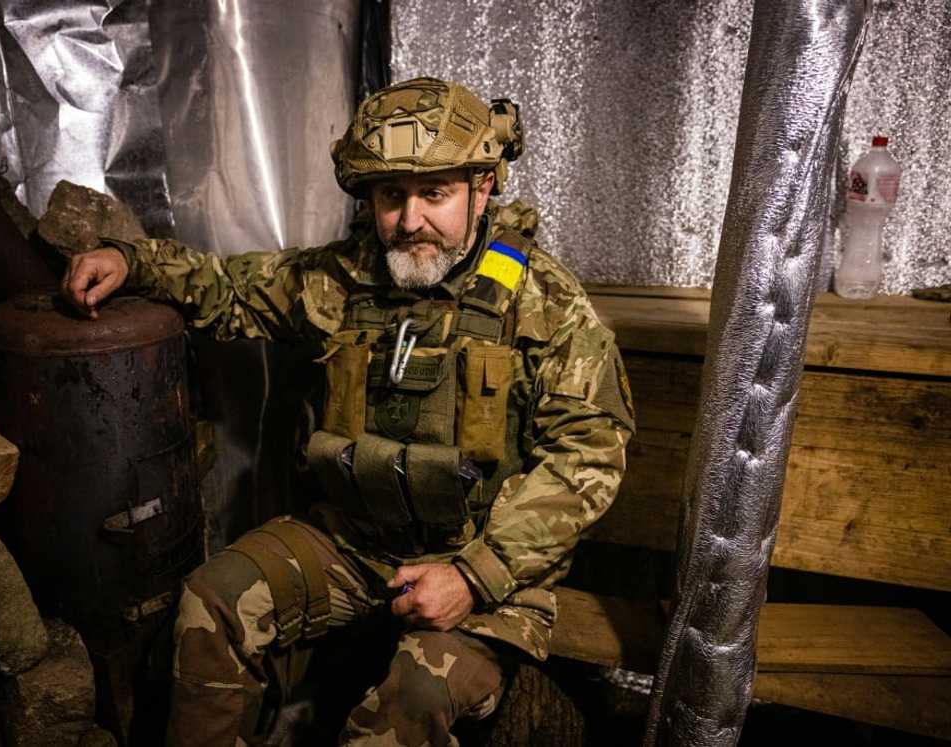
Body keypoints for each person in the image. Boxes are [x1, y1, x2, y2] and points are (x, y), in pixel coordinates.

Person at [62, 76, 635, 746]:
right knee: (210, 603)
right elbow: (229, 290)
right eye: (391, 196)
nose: (410, 219)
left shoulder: (544, 301)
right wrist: (130, 260)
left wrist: (475, 575)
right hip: (351, 545)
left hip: (485, 566)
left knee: (413, 695)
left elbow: (588, 454)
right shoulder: (344, 277)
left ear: (482, 188)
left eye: (434, 193)